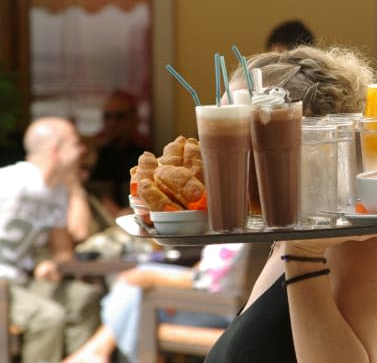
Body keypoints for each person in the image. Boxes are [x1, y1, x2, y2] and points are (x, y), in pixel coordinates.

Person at [205, 45, 377, 363]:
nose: (222, 144)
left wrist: (302, 256)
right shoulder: (286, 238)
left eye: (237, 126)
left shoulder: (364, 246)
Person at [0, 117, 102, 363]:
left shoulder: (56, 192)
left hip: (23, 281)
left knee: (84, 297)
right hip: (3, 285)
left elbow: (66, 249)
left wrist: (52, 265)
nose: (82, 151)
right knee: (49, 317)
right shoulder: (11, 181)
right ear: (57, 151)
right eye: (76, 144)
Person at [61, 243, 244, 363]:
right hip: (225, 301)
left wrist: (155, 278)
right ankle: (96, 351)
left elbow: (208, 279)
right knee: (137, 281)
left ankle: (96, 351)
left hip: (226, 309)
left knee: (137, 288)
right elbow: (208, 269)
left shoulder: (239, 227)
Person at [89, 89, 147, 213]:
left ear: (134, 119)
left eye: (119, 117)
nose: (112, 123)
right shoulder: (97, 152)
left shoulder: (145, 156)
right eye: (107, 116)